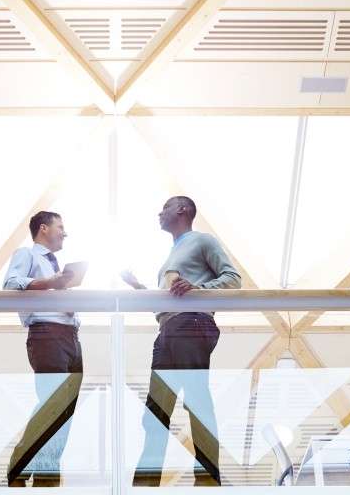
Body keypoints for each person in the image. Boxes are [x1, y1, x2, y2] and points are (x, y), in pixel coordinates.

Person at [120, 196, 240, 485]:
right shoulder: (170, 257)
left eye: (165, 208)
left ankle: (208, 480)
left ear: (183, 210)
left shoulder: (202, 241)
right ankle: (145, 485)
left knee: (196, 400)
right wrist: (139, 287)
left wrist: (199, 287)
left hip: (192, 323)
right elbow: (168, 301)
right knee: (155, 411)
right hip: (167, 330)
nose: (159, 213)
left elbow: (233, 279)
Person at [3, 211, 81, 486]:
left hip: (71, 338)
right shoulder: (27, 255)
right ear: (44, 228)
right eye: (61, 226)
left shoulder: (56, 265)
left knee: (65, 410)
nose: (65, 233)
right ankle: (18, 469)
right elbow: (11, 285)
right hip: (47, 334)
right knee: (53, 403)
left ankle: (46, 477)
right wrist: (51, 283)